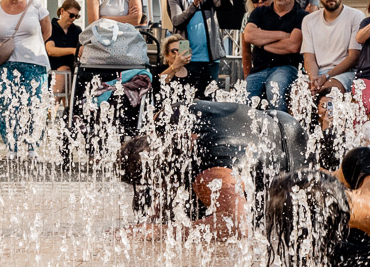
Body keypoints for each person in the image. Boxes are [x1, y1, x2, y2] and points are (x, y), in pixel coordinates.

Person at [118, 100, 307, 239]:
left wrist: (158, 231)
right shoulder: (167, 116)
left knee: (206, 213)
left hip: (291, 152)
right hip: (274, 120)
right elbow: (170, 174)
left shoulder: (213, 173)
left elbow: (238, 226)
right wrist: (151, 219)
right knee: (163, 206)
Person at [0, 0, 52, 153]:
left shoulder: (35, 5)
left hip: (33, 63)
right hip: (4, 64)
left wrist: (29, 46)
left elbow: (46, 31)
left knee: (34, 104)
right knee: (5, 106)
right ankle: (12, 146)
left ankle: (32, 147)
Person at [165, 0, 233, 93]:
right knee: (186, 98)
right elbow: (177, 21)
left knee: (209, 99)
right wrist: (194, 5)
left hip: (211, 58)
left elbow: (227, 6)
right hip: (186, 58)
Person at [242, 0, 304, 108]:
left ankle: (279, 122)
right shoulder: (259, 12)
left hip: (286, 68)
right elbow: (249, 36)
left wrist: (261, 43)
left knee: (274, 92)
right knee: (243, 98)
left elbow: (292, 46)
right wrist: (282, 35)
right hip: (258, 69)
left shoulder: (301, 16)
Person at [300, 0, 362, 92]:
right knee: (298, 91)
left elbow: (353, 57)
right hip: (318, 73)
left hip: (345, 73)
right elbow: (309, 58)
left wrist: (326, 76)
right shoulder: (308, 20)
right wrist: (314, 80)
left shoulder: (355, 16)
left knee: (329, 91)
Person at [45, 0, 84, 111]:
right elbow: (50, 50)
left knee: (71, 74)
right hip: (53, 70)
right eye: (71, 15)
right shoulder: (51, 27)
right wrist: (72, 50)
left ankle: (56, 109)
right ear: (62, 11)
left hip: (71, 71)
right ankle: (54, 108)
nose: (73, 19)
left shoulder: (76, 30)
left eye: (76, 16)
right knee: (64, 71)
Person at [239, 0, 273, 81]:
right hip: (258, 67)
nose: (260, 1)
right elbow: (246, 51)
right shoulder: (248, 17)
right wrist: (247, 76)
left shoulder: (278, 15)